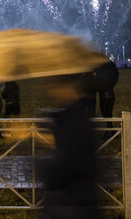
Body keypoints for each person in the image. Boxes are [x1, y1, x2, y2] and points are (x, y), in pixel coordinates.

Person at [34, 75, 98, 218]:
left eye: (53, 85)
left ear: (66, 87)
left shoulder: (76, 123)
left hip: (74, 208)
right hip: (71, 205)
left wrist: (37, 161)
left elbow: (59, 170)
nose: (49, 90)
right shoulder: (71, 116)